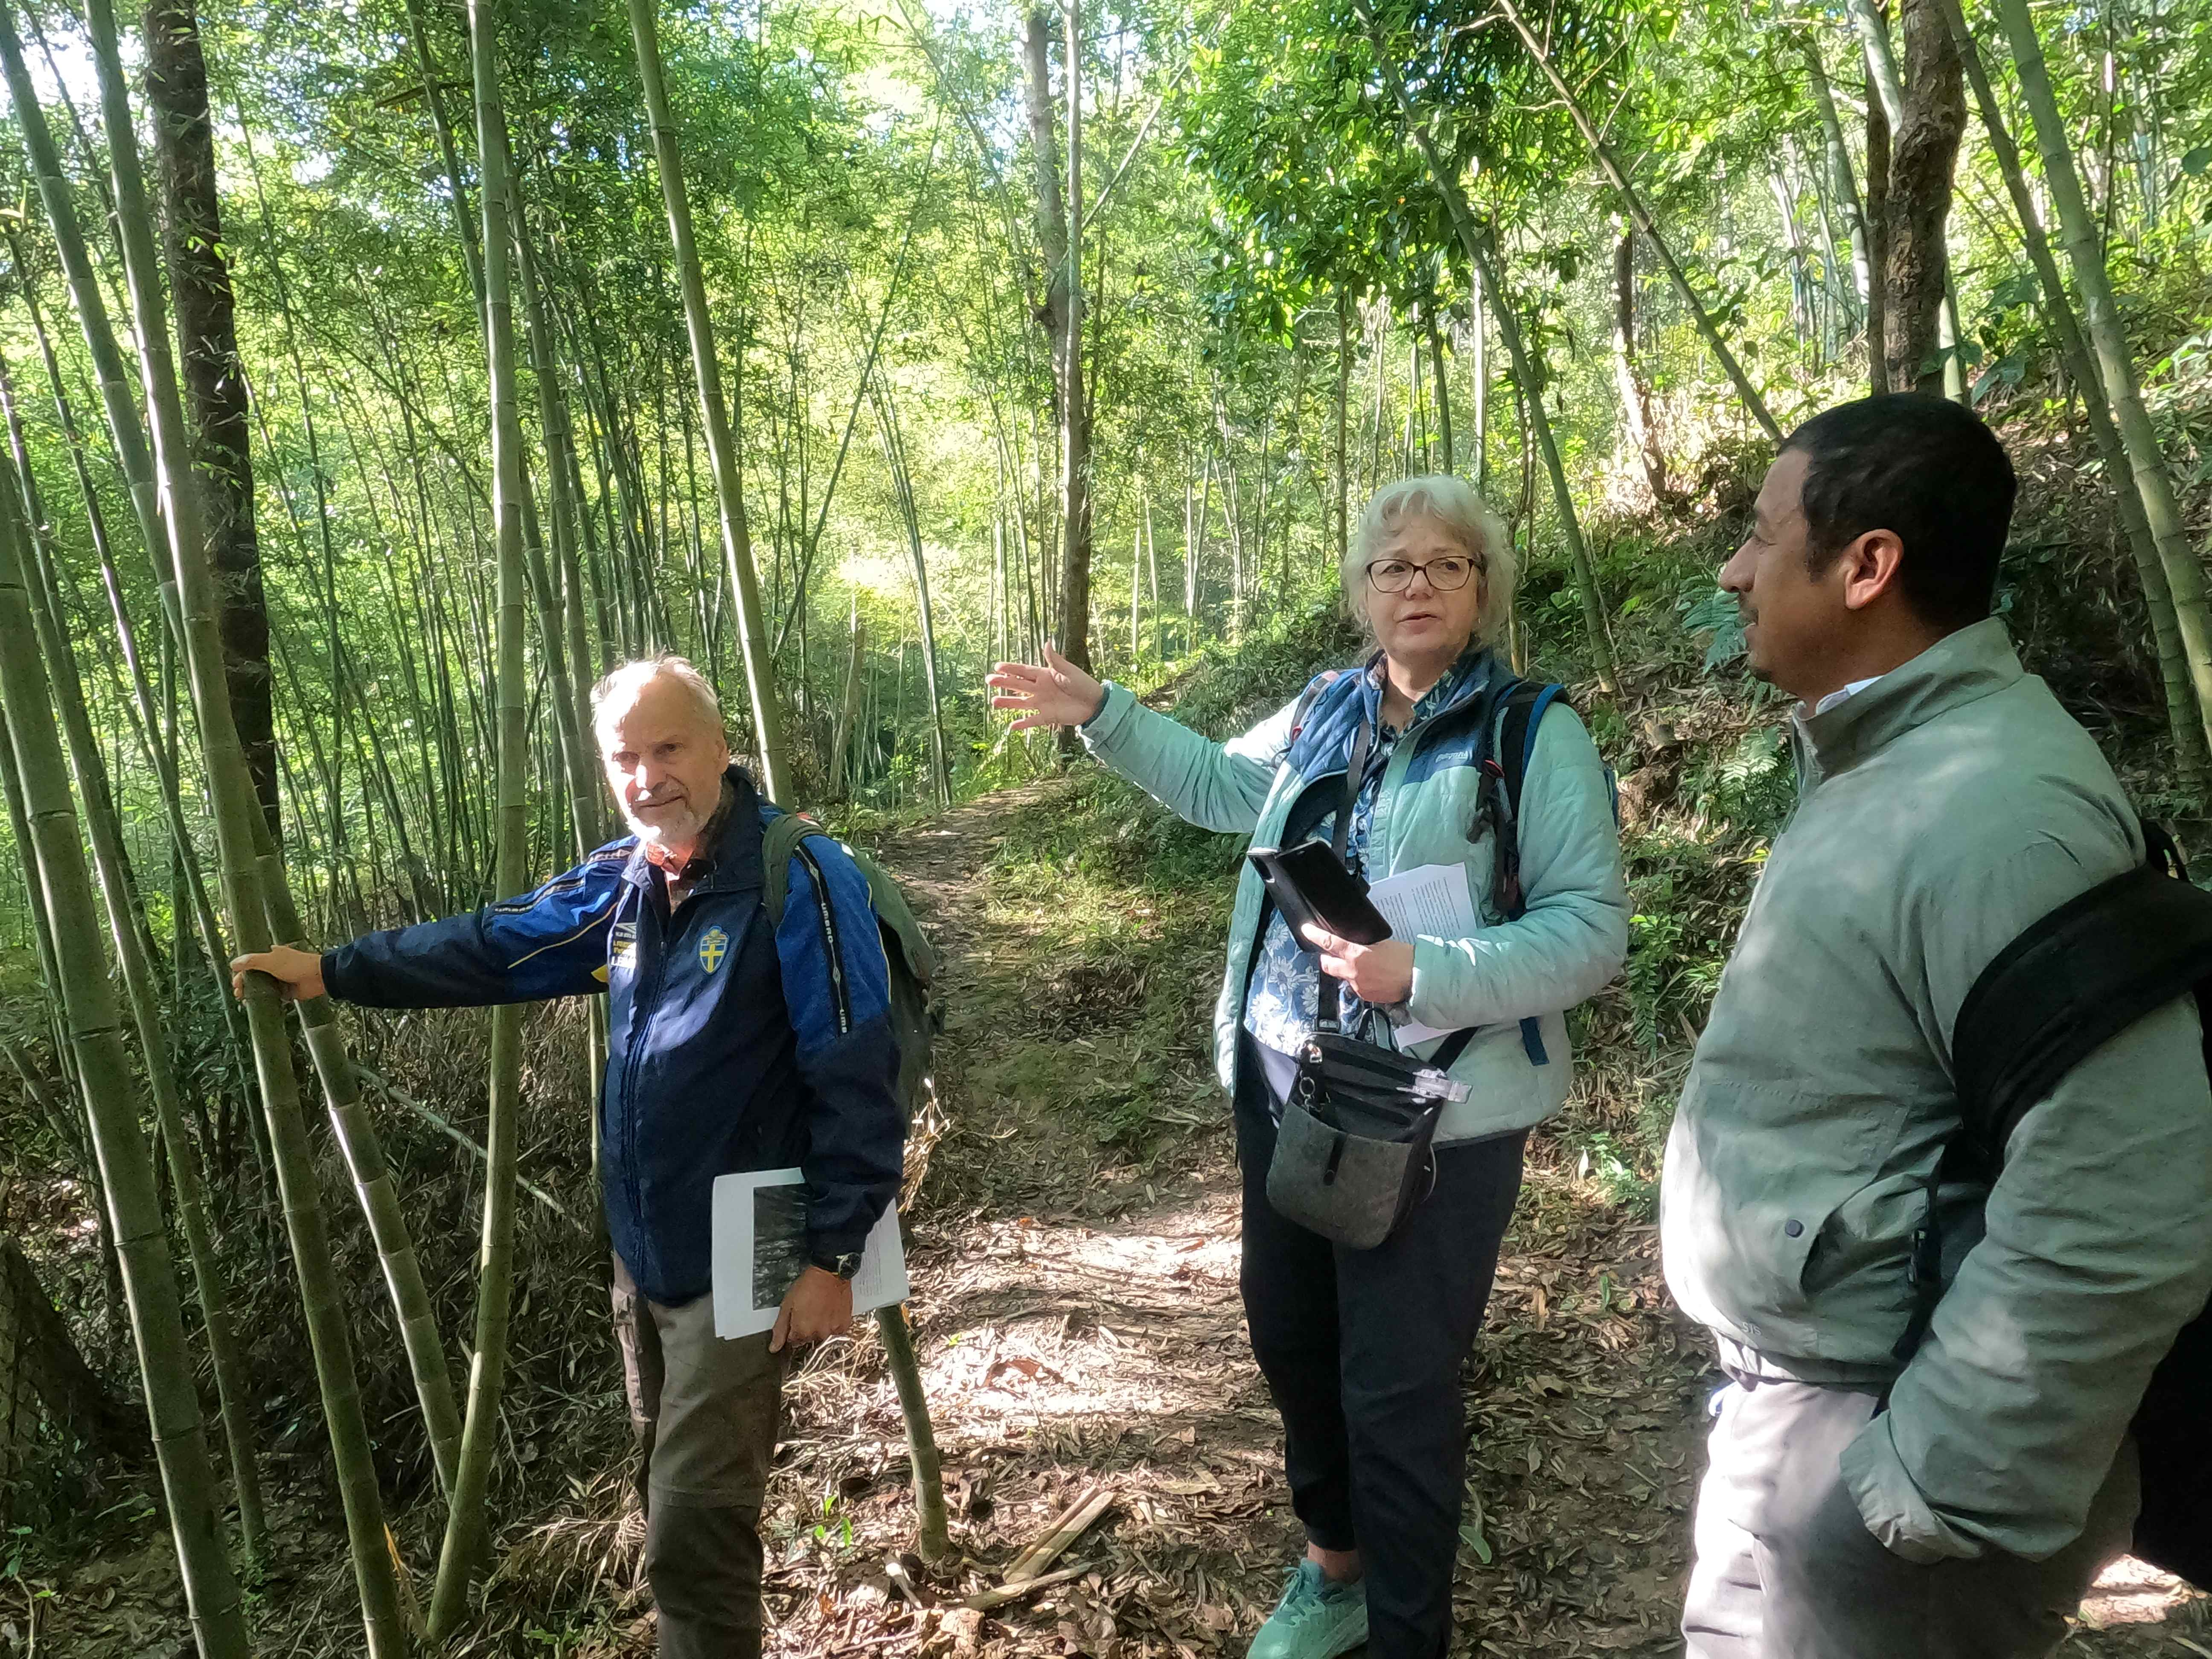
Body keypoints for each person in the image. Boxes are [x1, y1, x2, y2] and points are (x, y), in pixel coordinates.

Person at [987, 476, 1629, 1659]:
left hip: (1439, 1109)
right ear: (1362, 593)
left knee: (1397, 1385)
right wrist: (1104, 711)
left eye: (1445, 564)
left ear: (1483, 588)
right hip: (1288, 1077)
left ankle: (1405, 1633)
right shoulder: (1329, 708)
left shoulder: (1532, 729)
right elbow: (1223, 790)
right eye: (1393, 568)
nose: (1417, 584)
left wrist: (1419, 968)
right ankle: (1336, 1568)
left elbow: (1591, 932)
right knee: (1290, 1333)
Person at [1663, 395, 2212, 1659]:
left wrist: (1926, 1490)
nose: (1735, 569)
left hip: (1880, 1455)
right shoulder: (1891, 766)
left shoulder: (2002, 812)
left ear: (1869, 566)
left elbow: (2128, 1198)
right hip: (1801, 1425)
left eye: (1759, 534)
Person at [231, 656, 904, 1659]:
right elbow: (493, 946)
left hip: (750, 1255)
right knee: (665, 1492)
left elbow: (858, 1073)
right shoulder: (626, 882)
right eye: (625, 758)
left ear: (721, 746)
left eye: (669, 747)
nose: (648, 777)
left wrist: (833, 1257)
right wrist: (336, 969)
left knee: (693, 1531)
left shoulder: (796, 874)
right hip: (645, 1254)